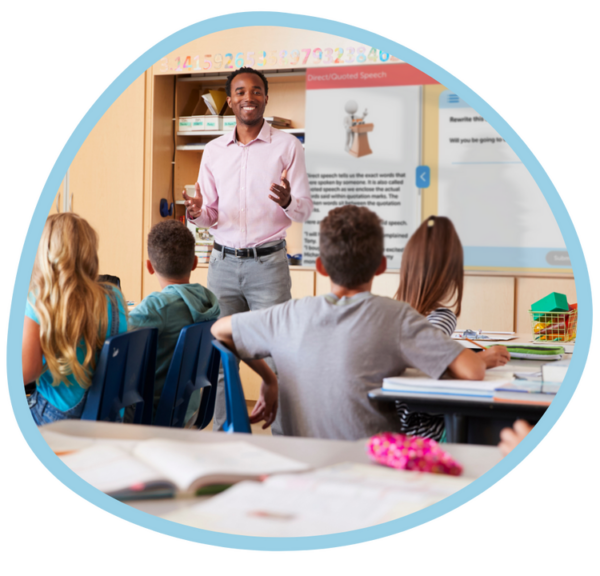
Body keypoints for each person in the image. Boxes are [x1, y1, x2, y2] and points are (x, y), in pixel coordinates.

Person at [210, 205, 507, 441]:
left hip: (299, 466)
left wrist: (269, 378)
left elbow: (219, 330)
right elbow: (472, 370)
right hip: (373, 465)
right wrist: (486, 358)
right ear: (381, 265)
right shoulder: (397, 316)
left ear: (321, 267)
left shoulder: (285, 314)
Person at [182, 66, 313, 431]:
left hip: (268, 264)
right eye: (240, 92)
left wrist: (287, 200)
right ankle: (228, 434)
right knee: (223, 356)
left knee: (277, 354)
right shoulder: (213, 151)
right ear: (230, 101)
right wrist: (196, 214)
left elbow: (303, 208)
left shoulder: (288, 146)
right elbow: (209, 214)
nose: (248, 98)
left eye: (256, 91)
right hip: (222, 264)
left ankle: (285, 435)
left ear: (266, 98)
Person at [128, 220, 278, 429]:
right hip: (188, 411)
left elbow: (114, 334)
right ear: (195, 263)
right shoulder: (210, 302)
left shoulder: (155, 308)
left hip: (154, 415)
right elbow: (235, 339)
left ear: (149, 267)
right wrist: (269, 378)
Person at [394, 215, 510, 440]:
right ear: (451, 273)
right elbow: (429, 374)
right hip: (428, 435)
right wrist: (482, 360)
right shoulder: (441, 318)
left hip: (397, 429)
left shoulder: (394, 315)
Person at [23, 213, 128, 425]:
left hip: (57, 419)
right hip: (108, 416)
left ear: (45, 253)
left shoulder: (40, 300)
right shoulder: (114, 296)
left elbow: (26, 372)